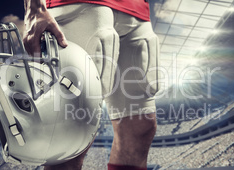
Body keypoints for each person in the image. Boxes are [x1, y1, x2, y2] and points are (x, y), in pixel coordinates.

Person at [23, 0, 160, 169]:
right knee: (71, 139)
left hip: (137, 10)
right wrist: (34, 8)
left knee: (140, 128)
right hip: (80, 5)